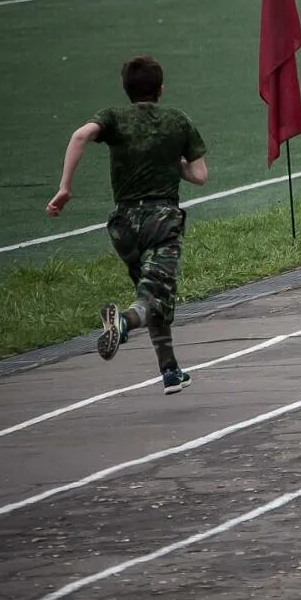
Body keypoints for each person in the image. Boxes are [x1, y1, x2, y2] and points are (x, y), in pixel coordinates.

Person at [47, 56, 208, 394]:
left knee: (151, 294)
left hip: (123, 227)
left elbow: (80, 136)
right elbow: (199, 176)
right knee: (152, 299)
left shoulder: (112, 118)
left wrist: (65, 187)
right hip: (161, 222)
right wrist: (171, 162)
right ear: (161, 89)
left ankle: (170, 370)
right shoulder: (177, 121)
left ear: (127, 90)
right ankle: (122, 321)